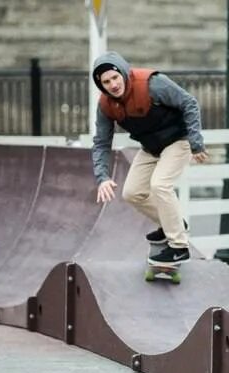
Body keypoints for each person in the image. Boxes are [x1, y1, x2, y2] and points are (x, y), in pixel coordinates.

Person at [90, 51, 209, 266]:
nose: (113, 85)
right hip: (151, 147)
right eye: (106, 82)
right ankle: (172, 223)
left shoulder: (152, 84)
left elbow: (189, 103)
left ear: (124, 74)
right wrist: (102, 177)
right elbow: (101, 142)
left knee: (160, 185)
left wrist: (196, 141)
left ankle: (179, 247)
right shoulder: (106, 106)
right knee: (132, 193)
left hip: (177, 140)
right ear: (101, 85)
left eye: (115, 78)